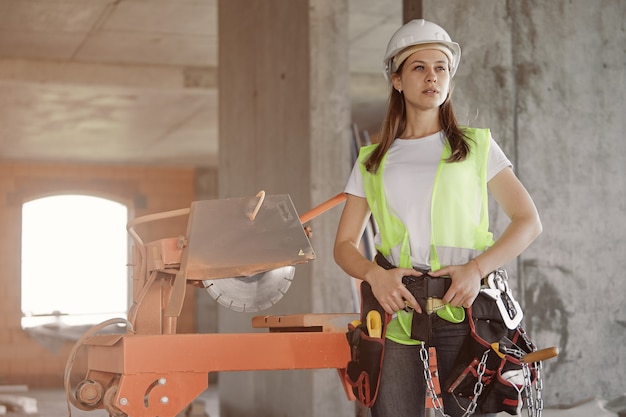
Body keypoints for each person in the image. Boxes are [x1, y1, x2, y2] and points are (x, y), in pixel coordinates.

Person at [334, 19, 542, 417]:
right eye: (419, 67)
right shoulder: (373, 161)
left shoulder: (477, 147)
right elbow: (343, 245)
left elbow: (527, 220)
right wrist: (375, 276)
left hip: (464, 305)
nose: (433, 76)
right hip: (398, 310)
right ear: (397, 80)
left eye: (441, 68)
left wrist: (476, 268)